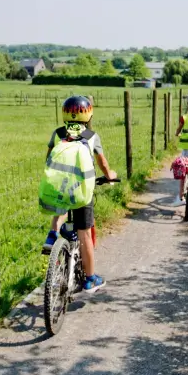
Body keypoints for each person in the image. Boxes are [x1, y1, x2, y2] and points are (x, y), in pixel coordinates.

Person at [43, 96, 117, 293]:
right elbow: (103, 163)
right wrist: (110, 176)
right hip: (83, 190)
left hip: (59, 185)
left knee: (62, 203)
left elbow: (48, 158)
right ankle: (90, 280)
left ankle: (51, 237)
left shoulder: (58, 133)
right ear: (88, 114)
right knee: (84, 234)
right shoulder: (91, 136)